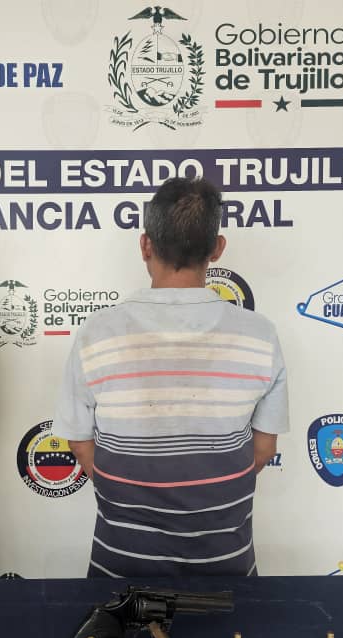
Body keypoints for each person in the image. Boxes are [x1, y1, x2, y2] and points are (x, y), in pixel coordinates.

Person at [52, 177, 288, 578]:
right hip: (226, 569)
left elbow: (79, 440)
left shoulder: (97, 334)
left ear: (145, 245)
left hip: (120, 573)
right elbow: (263, 449)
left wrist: (132, 490)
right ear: (217, 248)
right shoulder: (260, 335)